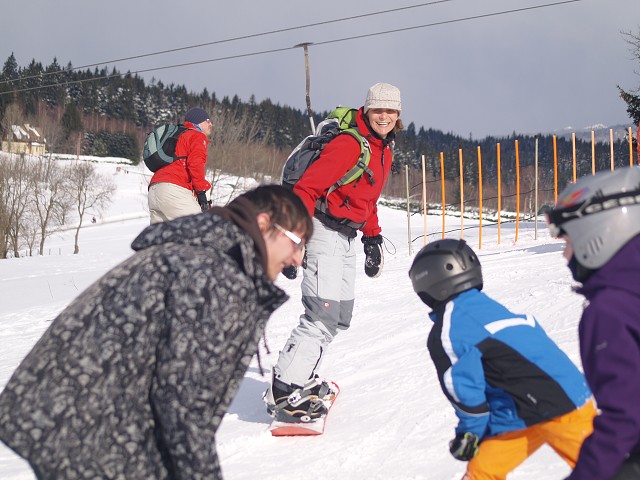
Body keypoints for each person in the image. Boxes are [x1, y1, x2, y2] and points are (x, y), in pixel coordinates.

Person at [0, 184, 311, 480]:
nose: (297, 259)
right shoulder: (218, 275)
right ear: (263, 222)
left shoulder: (202, 251)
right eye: (296, 242)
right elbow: (183, 403)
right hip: (86, 426)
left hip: (68, 412)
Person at [264, 82, 403, 421]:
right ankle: (284, 390)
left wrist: (372, 239)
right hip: (321, 231)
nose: (384, 116)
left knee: (339, 317)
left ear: (398, 115)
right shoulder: (348, 144)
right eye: (378, 109)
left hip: (346, 238)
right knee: (320, 314)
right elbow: (306, 190)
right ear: (367, 110)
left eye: (390, 111)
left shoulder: (384, 148)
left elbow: (367, 199)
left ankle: (300, 374)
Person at [408, 238, 596, 480]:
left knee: (603, 470)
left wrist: (469, 435)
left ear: (428, 282)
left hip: (559, 407)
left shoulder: (450, 329)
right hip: (527, 409)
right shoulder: (487, 308)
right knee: (482, 471)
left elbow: (467, 394)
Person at [545, 167, 640, 480]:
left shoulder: (610, 310)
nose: (564, 255)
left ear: (596, 233)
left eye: (567, 240)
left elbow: (625, 419)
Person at [148, 106, 213, 223]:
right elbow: (195, 164)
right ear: (198, 122)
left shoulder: (179, 136)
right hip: (173, 191)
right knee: (199, 228)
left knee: (161, 239)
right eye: (207, 121)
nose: (211, 124)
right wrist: (201, 193)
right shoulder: (197, 136)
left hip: (154, 191)